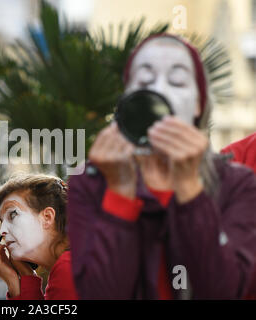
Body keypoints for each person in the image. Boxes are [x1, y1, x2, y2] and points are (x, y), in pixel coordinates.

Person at [67, 33, 256, 299]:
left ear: (199, 104)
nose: (160, 91)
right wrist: (120, 190)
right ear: (128, 97)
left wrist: (189, 187)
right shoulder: (91, 182)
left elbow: (222, 291)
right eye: (144, 81)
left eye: (177, 81)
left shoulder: (237, 185)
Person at [0, 174, 78, 300]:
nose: (2, 231)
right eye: (2, 221)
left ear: (47, 217)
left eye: (13, 214)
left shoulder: (68, 270)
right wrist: (19, 278)